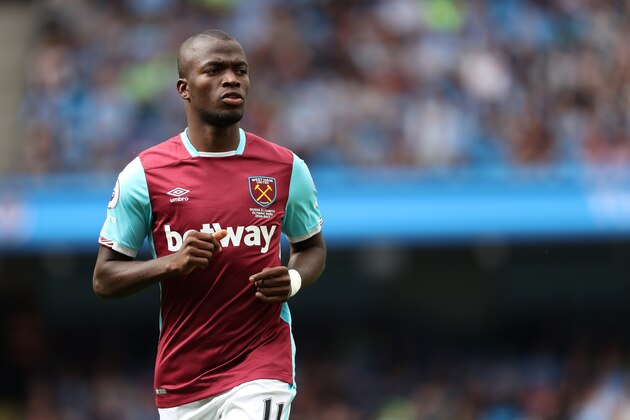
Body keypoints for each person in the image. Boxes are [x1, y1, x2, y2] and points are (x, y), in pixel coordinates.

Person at [92, 28, 326, 419]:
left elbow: (311, 246)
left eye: (240, 70)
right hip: (185, 375)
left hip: (262, 361)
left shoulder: (285, 168)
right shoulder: (145, 174)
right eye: (214, 69)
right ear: (184, 88)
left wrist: (294, 279)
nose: (231, 78)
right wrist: (171, 263)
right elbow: (104, 279)